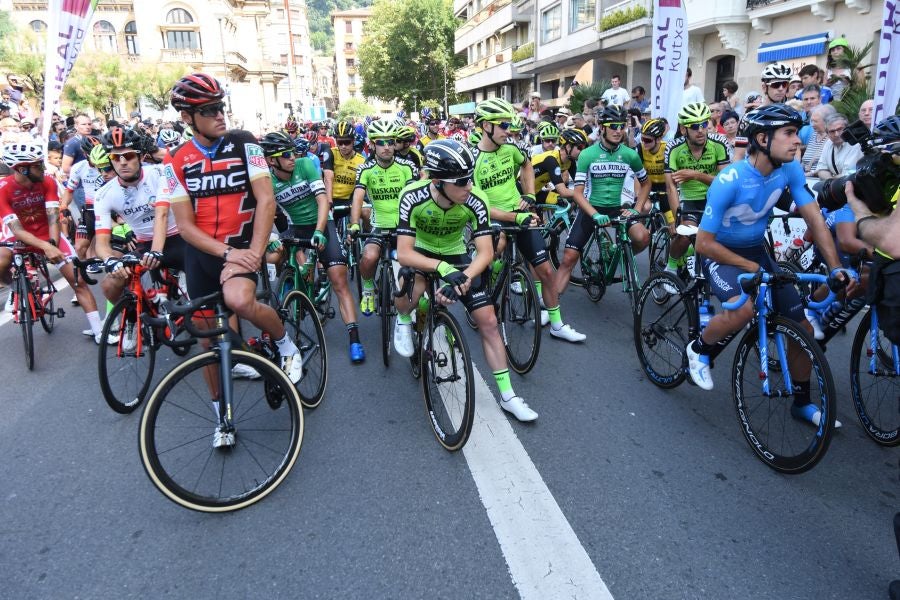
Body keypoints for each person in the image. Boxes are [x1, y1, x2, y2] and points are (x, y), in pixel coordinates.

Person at [686, 105, 849, 429]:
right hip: (722, 252)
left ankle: (802, 404)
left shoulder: (789, 170)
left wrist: (834, 268)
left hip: (757, 252)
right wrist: (748, 265)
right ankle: (699, 349)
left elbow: (814, 217)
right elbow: (703, 243)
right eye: (789, 134)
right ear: (762, 138)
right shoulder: (729, 180)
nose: (797, 142)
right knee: (743, 310)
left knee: (802, 330)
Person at [161, 72, 303, 400]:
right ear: (187, 117)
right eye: (209, 110)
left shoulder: (245, 142)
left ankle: (286, 345)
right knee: (208, 341)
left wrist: (252, 252)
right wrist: (226, 254)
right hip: (205, 255)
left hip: (244, 244)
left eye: (220, 107)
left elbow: (266, 200)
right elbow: (184, 226)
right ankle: (220, 419)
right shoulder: (175, 160)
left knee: (239, 300)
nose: (219, 115)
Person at [392, 139, 539, 422]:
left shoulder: (475, 199)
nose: (469, 186)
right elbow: (404, 252)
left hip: (455, 251)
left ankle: (508, 396)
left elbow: (484, 253)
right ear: (437, 181)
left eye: (470, 178)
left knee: (489, 321)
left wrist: (463, 278)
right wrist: (443, 269)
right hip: (421, 251)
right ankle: (404, 317)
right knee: (415, 287)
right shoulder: (412, 196)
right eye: (461, 181)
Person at [472, 97, 585, 341]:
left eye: (510, 124)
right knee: (497, 246)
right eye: (503, 124)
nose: (508, 130)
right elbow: (480, 206)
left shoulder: (511, 149)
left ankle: (556, 324)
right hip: (494, 216)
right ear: (486, 126)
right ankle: (486, 275)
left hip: (519, 213)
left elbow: (525, 167)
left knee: (545, 270)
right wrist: (515, 216)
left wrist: (531, 195)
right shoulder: (473, 160)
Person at [261, 130, 365, 364]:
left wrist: (320, 231)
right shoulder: (267, 179)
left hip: (321, 223)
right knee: (271, 255)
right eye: (286, 154)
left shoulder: (305, 164)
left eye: (292, 152)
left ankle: (354, 338)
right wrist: (269, 237)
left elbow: (322, 200)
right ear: (271, 161)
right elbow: (265, 211)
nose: (292, 157)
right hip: (295, 227)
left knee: (338, 280)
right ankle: (291, 284)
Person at [0, 142, 116, 344]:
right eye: (37, 165)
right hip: (16, 235)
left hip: (47, 234)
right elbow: (16, 230)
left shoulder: (47, 182)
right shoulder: (4, 189)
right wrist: (46, 247)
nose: (43, 168)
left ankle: (99, 332)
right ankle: (14, 287)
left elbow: (53, 216)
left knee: (78, 280)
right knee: (1, 261)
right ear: (22, 168)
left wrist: (52, 243)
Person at [555, 105, 651, 295]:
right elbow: (578, 193)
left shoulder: (630, 154)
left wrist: (636, 209)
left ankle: (622, 255)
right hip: (591, 208)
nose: (618, 130)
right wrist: (595, 214)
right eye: (613, 126)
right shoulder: (587, 155)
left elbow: (646, 184)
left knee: (643, 237)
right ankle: (549, 310)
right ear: (601, 127)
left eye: (621, 126)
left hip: (617, 208)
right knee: (568, 258)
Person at [92, 129, 184, 322]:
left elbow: (162, 214)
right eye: (116, 158)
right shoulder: (103, 194)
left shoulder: (158, 173)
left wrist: (157, 251)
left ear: (141, 156)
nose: (122, 162)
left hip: (179, 238)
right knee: (109, 284)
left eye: (128, 156)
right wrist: (109, 260)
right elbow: (101, 241)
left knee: (199, 305)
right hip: (145, 243)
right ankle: (134, 318)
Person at [354, 120, 415, 357]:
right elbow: (358, 197)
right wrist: (353, 224)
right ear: (372, 145)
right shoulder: (366, 169)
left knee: (407, 273)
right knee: (369, 257)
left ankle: (410, 319)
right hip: (379, 225)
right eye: (381, 143)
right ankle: (368, 289)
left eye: (391, 142)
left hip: (403, 227)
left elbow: (413, 195)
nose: (387, 147)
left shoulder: (406, 166)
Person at [663, 103, 730, 282]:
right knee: (685, 235)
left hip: (714, 198)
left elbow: (726, 182)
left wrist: (696, 175)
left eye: (704, 124)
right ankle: (671, 266)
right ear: (684, 129)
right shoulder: (673, 148)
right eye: (694, 126)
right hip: (689, 200)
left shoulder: (719, 144)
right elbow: (670, 187)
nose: (701, 130)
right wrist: (677, 217)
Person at [815, 113, 864, 179]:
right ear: (827, 133)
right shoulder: (828, 143)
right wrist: (830, 182)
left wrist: (831, 180)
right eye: (832, 131)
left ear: (847, 128)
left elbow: (847, 174)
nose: (836, 134)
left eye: (840, 129)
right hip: (834, 184)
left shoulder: (855, 144)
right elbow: (821, 170)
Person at [801, 104, 835, 175]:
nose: (812, 124)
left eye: (815, 121)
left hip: (820, 180)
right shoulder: (814, 135)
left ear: (827, 121)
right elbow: (805, 162)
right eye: (812, 121)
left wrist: (811, 173)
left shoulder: (832, 139)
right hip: (806, 178)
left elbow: (830, 166)